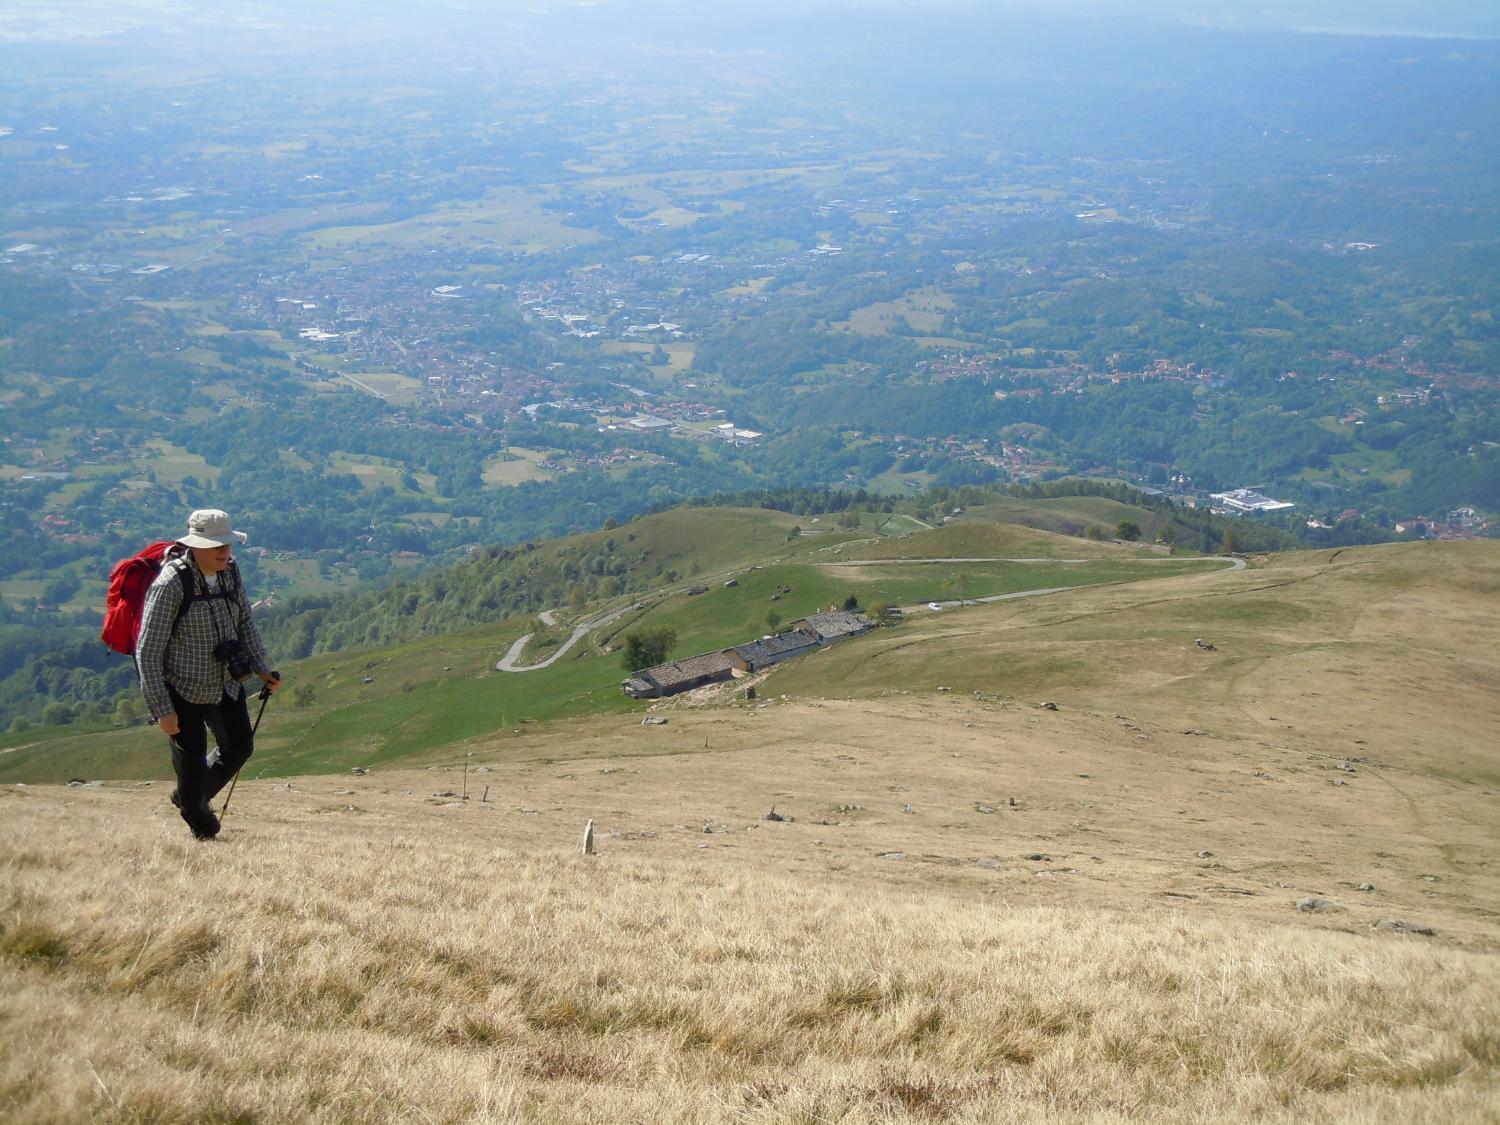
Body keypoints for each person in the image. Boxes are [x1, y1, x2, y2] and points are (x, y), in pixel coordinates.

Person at [136, 509, 281, 839]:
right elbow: (147, 651)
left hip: (226, 683)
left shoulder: (230, 572)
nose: (224, 552)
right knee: (191, 771)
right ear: (195, 546)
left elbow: (244, 621)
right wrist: (162, 710)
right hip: (182, 690)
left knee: (241, 747)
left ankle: (190, 797)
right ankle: (202, 825)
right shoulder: (171, 584)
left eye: (227, 545)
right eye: (216, 546)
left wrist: (262, 668)